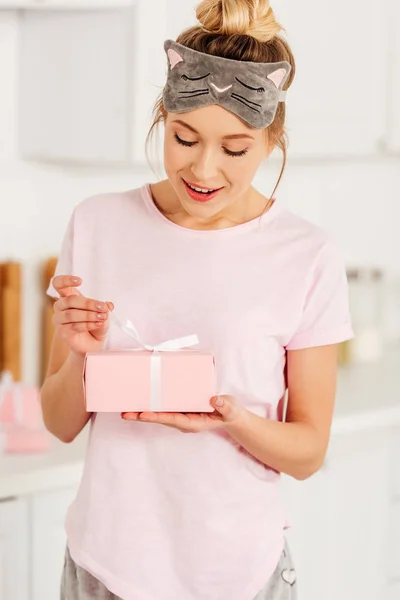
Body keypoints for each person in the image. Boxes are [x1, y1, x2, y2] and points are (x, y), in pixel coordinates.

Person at [41, 1, 353, 599]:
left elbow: (308, 451)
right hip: (106, 567)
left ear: (271, 140)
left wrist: (230, 419)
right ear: (164, 117)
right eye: (185, 139)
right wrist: (81, 355)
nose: (204, 169)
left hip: (237, 573)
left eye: (235, 149)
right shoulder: (98, 223)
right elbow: (60, 423)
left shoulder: (306, 253)